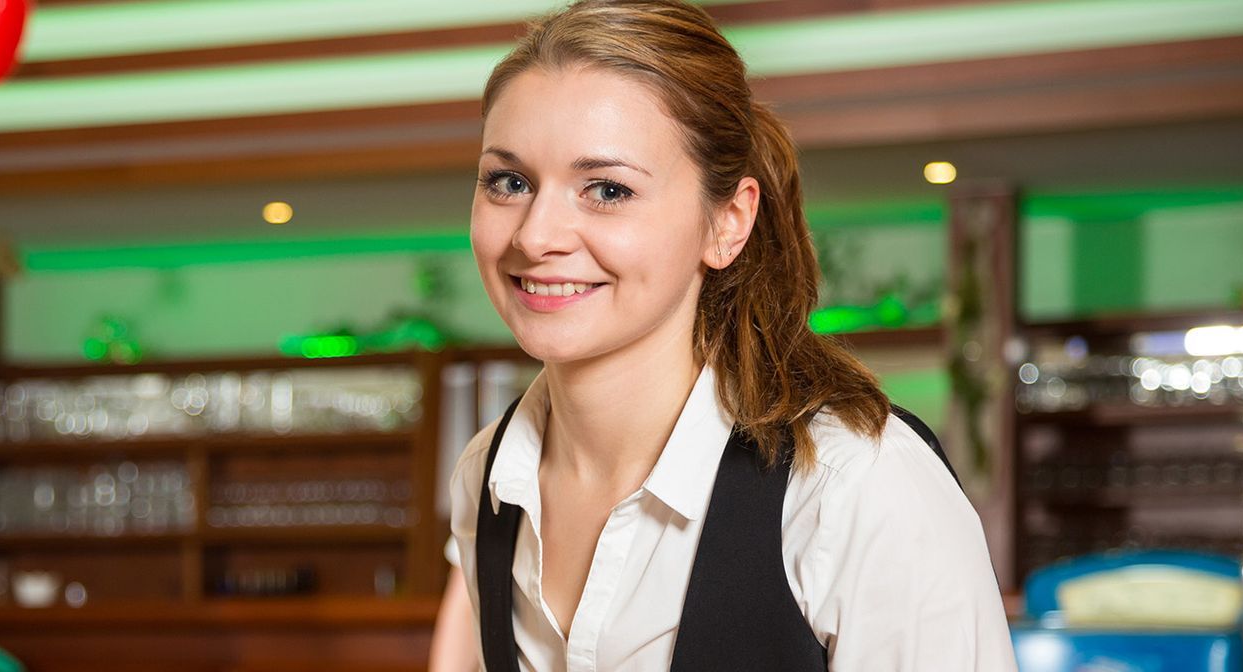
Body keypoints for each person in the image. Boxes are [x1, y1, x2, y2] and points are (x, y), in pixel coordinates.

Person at [426, 1, 1015, 670]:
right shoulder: (488, 477)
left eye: (607, 190)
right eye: (510, 182)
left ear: (727, 222)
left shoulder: (856, 487)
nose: (536, 235)